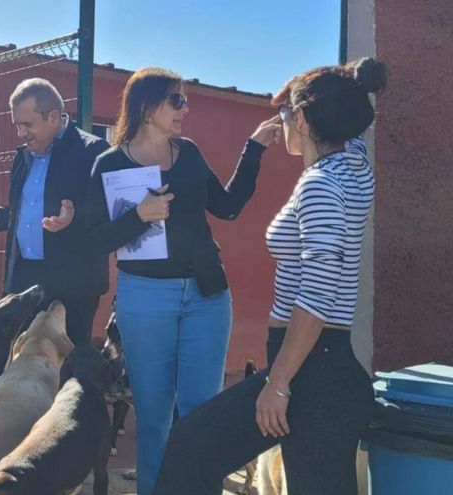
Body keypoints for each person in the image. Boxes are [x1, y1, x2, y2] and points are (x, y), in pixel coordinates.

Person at [154, 57, 386, 495]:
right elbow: (340, 114)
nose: (280, 121)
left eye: (286, 114)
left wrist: (278, 385)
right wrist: (306, 93)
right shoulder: (355, 165)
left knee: (191, 447)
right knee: (193, 446)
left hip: (310, 370)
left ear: (302, 118)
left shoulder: (320, 185)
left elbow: (316, 295)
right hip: (319, 370)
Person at [85, 67, 280, 494]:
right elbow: (93, 239)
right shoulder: (109, 163)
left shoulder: (187, 152)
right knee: (154, 418)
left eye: (185, 100)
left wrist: (254, 149)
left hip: (206, 296)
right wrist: (138, 217)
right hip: (145, 299)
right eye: (177, 100)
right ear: (145, 106)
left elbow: (226, 207)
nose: (184, 109)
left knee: (200, 414)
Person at [0, 78, 110, 345]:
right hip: (24, 282)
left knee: (64, 371)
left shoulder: (92, 152)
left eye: (28, 125)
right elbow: (20, 212)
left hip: (72, 288)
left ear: (54, 117)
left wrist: (74, 218)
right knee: (16, 365)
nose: (20, 133)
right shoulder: (23, 156)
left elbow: (108, 214)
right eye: (17, 125)